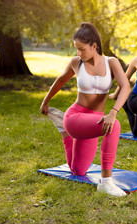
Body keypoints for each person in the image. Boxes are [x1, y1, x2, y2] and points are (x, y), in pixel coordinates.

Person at [40, 22, 131, 196]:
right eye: (77, 49)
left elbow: (125, 86)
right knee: (114, 126)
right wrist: (46, 101)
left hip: (94, 119)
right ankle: (106, 183)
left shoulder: (111, 62)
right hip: (75, 117)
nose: (79, 53)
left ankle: (63, 132)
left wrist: (113, 112)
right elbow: (60, 81)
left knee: (78, 171)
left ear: (94, 46)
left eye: (82, 49)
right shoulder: (76, 63)